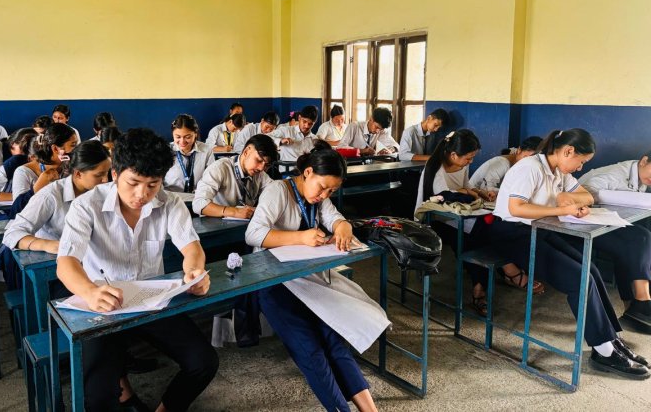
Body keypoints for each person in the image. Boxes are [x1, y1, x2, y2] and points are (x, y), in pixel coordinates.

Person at [57, 128, 218, 411]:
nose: (142, 194)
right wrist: (91, 292)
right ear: (115, 173)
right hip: (105, 307)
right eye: (133, 183)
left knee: (203, 362)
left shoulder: (170, 202)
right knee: (96, 394)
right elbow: (66, 262)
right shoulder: (86, 206)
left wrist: (195, 272)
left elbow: (191, 247)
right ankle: (124, 394)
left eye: (153, 184)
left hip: (150, 300)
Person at [487, 129, 649, 378]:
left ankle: (611, 340)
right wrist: (562, 209)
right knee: (577, 279)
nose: (579, 167)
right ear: (567, 151)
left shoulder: (558, 170)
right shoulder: (530, 167)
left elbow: (585, 193)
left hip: (541, 228)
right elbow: (515, 207)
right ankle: (603, 350)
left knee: (591, 272)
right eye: (580, 162)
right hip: (512, 234)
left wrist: (571, 200)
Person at [245, 140, 388, 411]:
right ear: (308, 173)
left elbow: (334, 216)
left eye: (331, 191)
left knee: (335, 340)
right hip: (273, 283)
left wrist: (344, 225)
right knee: (310, 350)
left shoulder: (319, 198)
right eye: (322, 187)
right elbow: (252, 234)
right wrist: (301, 237)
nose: (324, 195)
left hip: (307, 281)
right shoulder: (278, 191)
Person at [415, 129, 541, 316]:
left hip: (461, 217)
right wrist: (468, 194)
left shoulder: (461, 165)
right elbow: (443, 197)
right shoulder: (436, 168)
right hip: (437, 220)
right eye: (468, 158)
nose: (470, 163)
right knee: (475, 237)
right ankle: (503, 273)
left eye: (472, 158)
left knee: (488, 227)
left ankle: (483, 285)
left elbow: (466, 188)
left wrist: (480, 193)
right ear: (453, 154)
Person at [0, 141, 112, 289]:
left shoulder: (104, 193)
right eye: (99, 175)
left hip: (95, 265)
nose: (106, 180)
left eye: (107, 173)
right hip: (58, 270)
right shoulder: (51, 195)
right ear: (78, 173)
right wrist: (49, 245)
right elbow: (12, 233)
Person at [578, 150, 651, 332]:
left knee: (636, 243)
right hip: (581, 224)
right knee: (640, 238)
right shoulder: (616, 174)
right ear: (644, 161)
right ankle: (641, 302)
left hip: (607, 222)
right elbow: (582, 192)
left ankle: (633, 310)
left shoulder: (641, 176)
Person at [192, 134, 278, 219]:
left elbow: (277, 191)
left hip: (241, 226)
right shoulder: (220, 168)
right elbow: (199, 204)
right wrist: (235, 212)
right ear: (246, 152)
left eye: (267, 165)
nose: (261, 168)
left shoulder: (260, 174)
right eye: (259, 160)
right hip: (214, 225)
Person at [0, 129, 37, 202]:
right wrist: (20, 196)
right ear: (12, 144)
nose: (26, 156)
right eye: (24, 150)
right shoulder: (14, 161)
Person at [469, 136, 542, 193]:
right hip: (474, 200)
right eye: (525, 157)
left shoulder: (526, 166)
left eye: (532, 160)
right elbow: (486, 188)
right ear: (519, 150)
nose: (527, 162)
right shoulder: (503, 162)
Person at [164, 114, 215, 193]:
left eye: (187, 137)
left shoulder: (207, 150)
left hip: (198, 198)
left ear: (195, 134)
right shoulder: (165, 150)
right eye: (178, 137)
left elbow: (211, 178)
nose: (182, 141)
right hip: (171, 199)